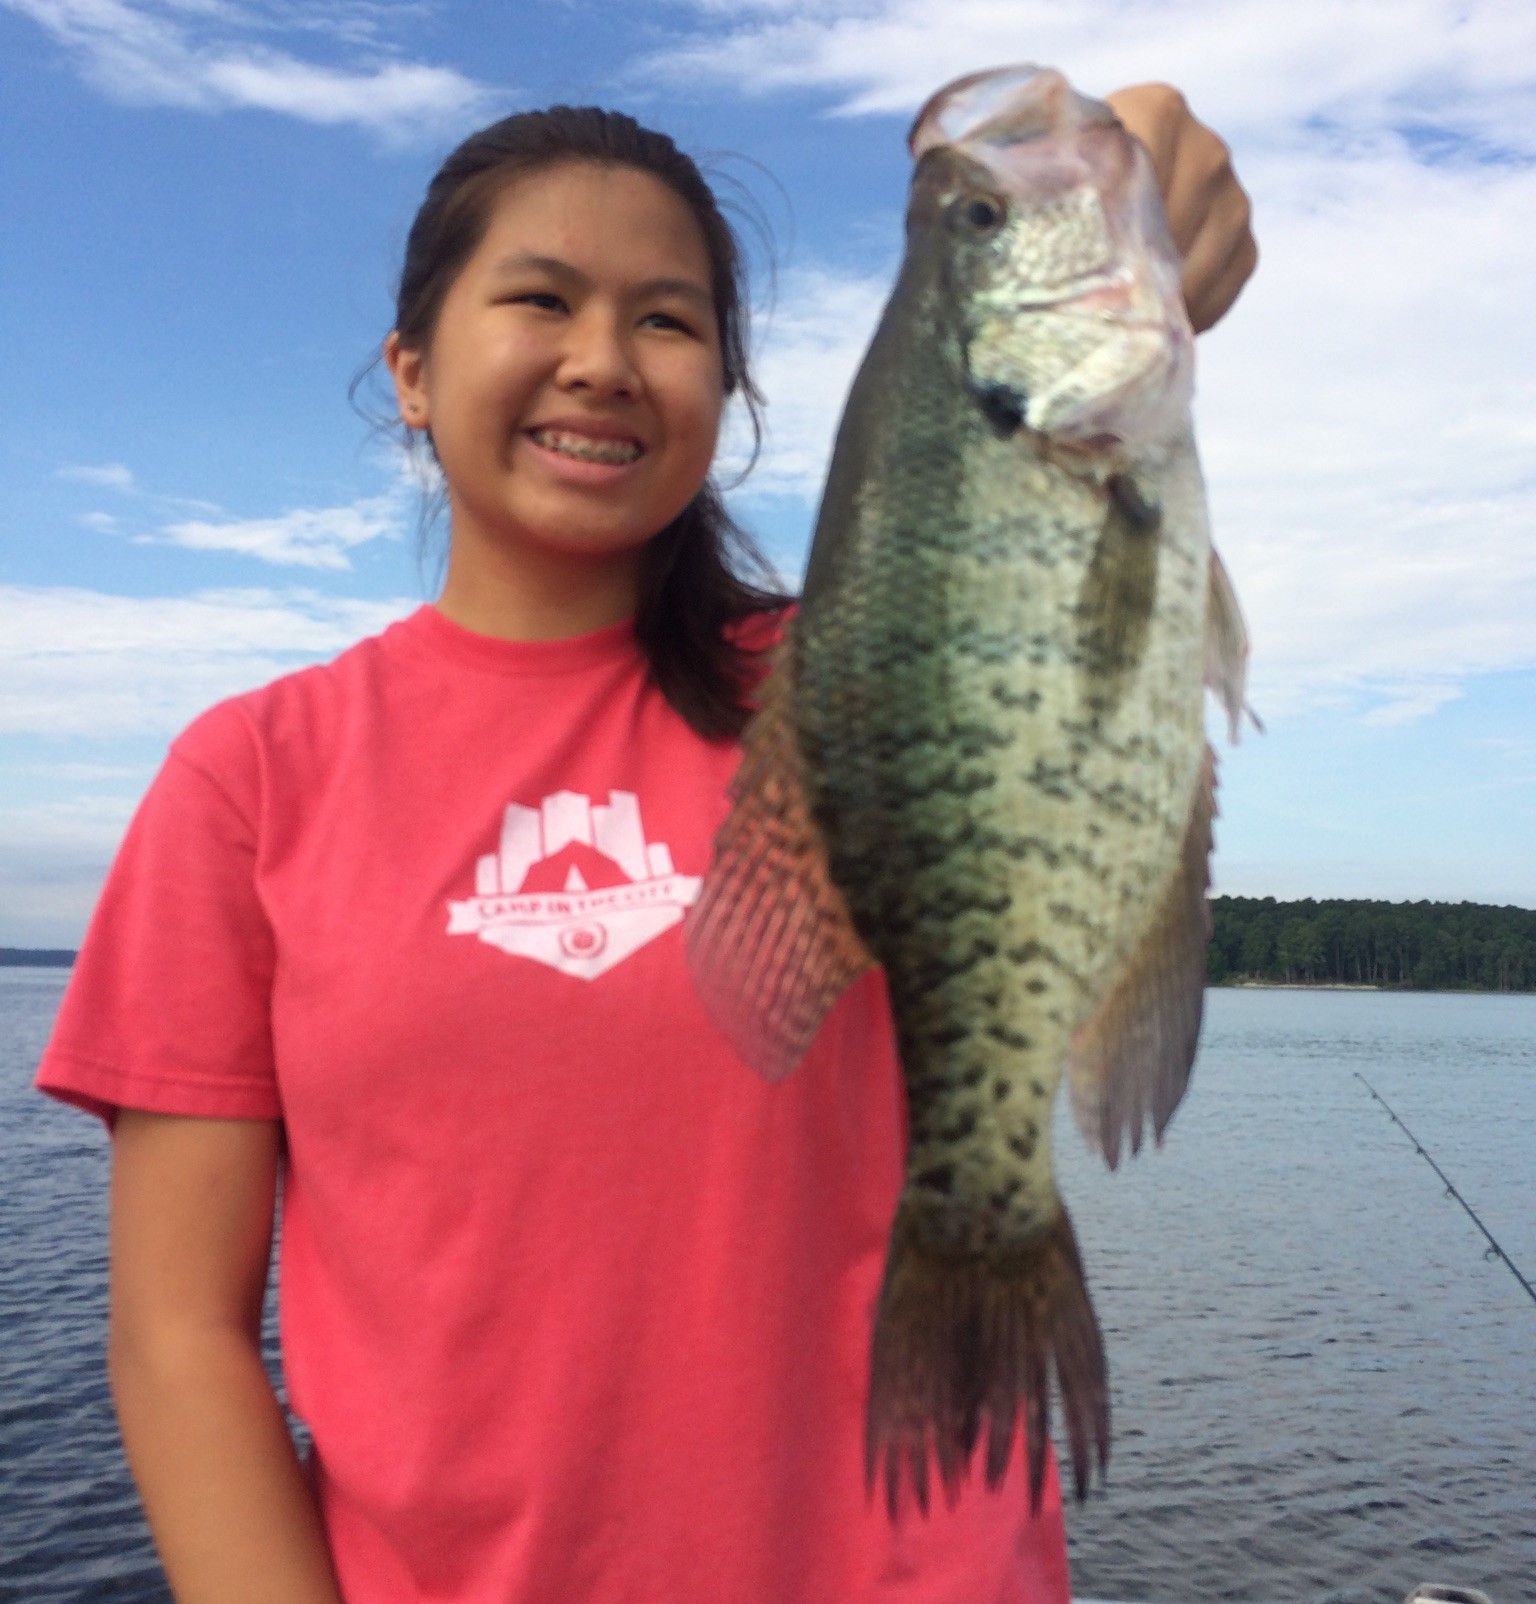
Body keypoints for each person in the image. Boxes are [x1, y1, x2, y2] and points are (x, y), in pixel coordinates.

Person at [35, 84, 1257, 1604]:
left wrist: (1130, 190)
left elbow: (1041, 593)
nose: (603, 361)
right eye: (541, 299)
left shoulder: (858, 684)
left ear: (725, 395)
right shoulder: (253, 780)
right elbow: (178, 1337)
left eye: (668, 321)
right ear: (410, 371)